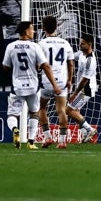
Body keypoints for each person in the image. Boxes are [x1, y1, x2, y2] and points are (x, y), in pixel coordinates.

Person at [2, 21, 60, 149]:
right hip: (33, 86)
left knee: (12, 115)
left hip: (17, 87)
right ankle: (31, 142)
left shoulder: (11, 46)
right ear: (26, 31)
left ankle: (15, 129)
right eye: (32, 29)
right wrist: (55, 85)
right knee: (34, 113)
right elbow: (45, 66)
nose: (33, 31)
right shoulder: (35, 47)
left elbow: (5, 67)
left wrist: (15, 67)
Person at [37, 16, 75, 149]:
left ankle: (47, 138)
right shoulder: (65, 43)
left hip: (47, 82)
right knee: (61, 110)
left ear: (43, 28)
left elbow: (38, 65)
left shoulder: (41, 44)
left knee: (41, 108)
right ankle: (62, 141)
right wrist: (70, 79)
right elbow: (71, 63)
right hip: (62, 82)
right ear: (57, 27)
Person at [67, 33, 99, 143]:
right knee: (76, 112)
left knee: (69, 110)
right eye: (80, 42)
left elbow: (84, 80)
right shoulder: (81, 54)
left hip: (87, 89)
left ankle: (90, 129)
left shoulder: (90, 60)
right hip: (82, 88)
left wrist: (74, 93)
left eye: (83, 43)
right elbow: (70, 57)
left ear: (89, 44)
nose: (80, 44)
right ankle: (86, 135)